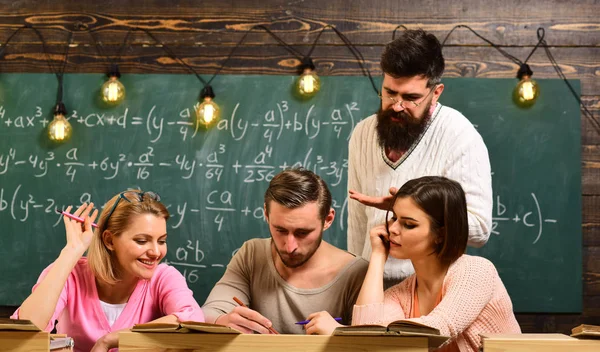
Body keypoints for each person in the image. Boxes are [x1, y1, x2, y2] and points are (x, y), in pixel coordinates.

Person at [347, 29, 493, 285]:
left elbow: (480, 229)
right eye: (389, 92)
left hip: (433, 288)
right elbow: (358, 223)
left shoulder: (460, 135)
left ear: (436, 93)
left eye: (411, 98)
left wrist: (410, 208)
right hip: (371, 284)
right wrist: (353, 284)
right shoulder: (363, 133)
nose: (397, 105)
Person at [12, 190, 204, 352]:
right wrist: (71, 252)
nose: (155, 252)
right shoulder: (69, 273)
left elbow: (193, 318)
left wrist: (112, 339)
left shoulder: (163, 277)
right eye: (142, 241)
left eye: (161, 241)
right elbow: (27, 329)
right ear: (109, 240)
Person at [353, 176, 520, 352]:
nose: (392, 228)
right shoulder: (400, 294)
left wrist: (338, 331)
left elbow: (435, 329)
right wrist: (378, 256)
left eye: (408, 224)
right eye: (394, 218)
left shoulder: (476, 271)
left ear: (441, 234)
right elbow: (366, 337)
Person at [202, 168, 368, 335]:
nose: (290, 247)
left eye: (302, 233)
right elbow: (208, 313)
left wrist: (339, 333)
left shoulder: (357, 272)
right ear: (266, 214)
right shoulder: (252, 254)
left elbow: (373, 341)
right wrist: (222, 321)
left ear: (328, 220)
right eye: (280, 230)